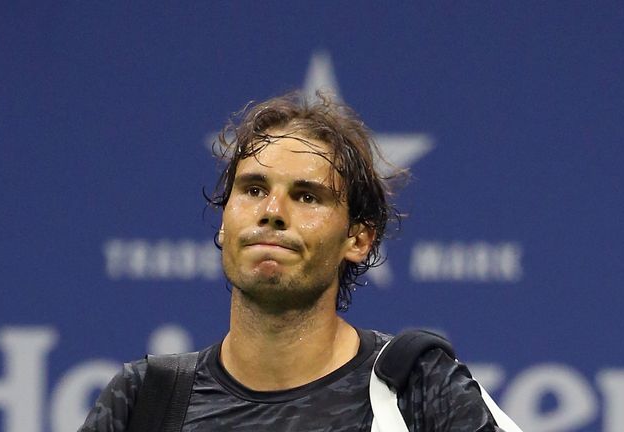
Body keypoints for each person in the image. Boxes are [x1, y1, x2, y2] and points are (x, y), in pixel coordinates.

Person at [79, 92, 504, 431]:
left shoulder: (420, 390)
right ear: (225, 223)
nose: (273, 210)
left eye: (306, 196)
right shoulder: (143, 401)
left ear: (357, 238)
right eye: (252, 189)